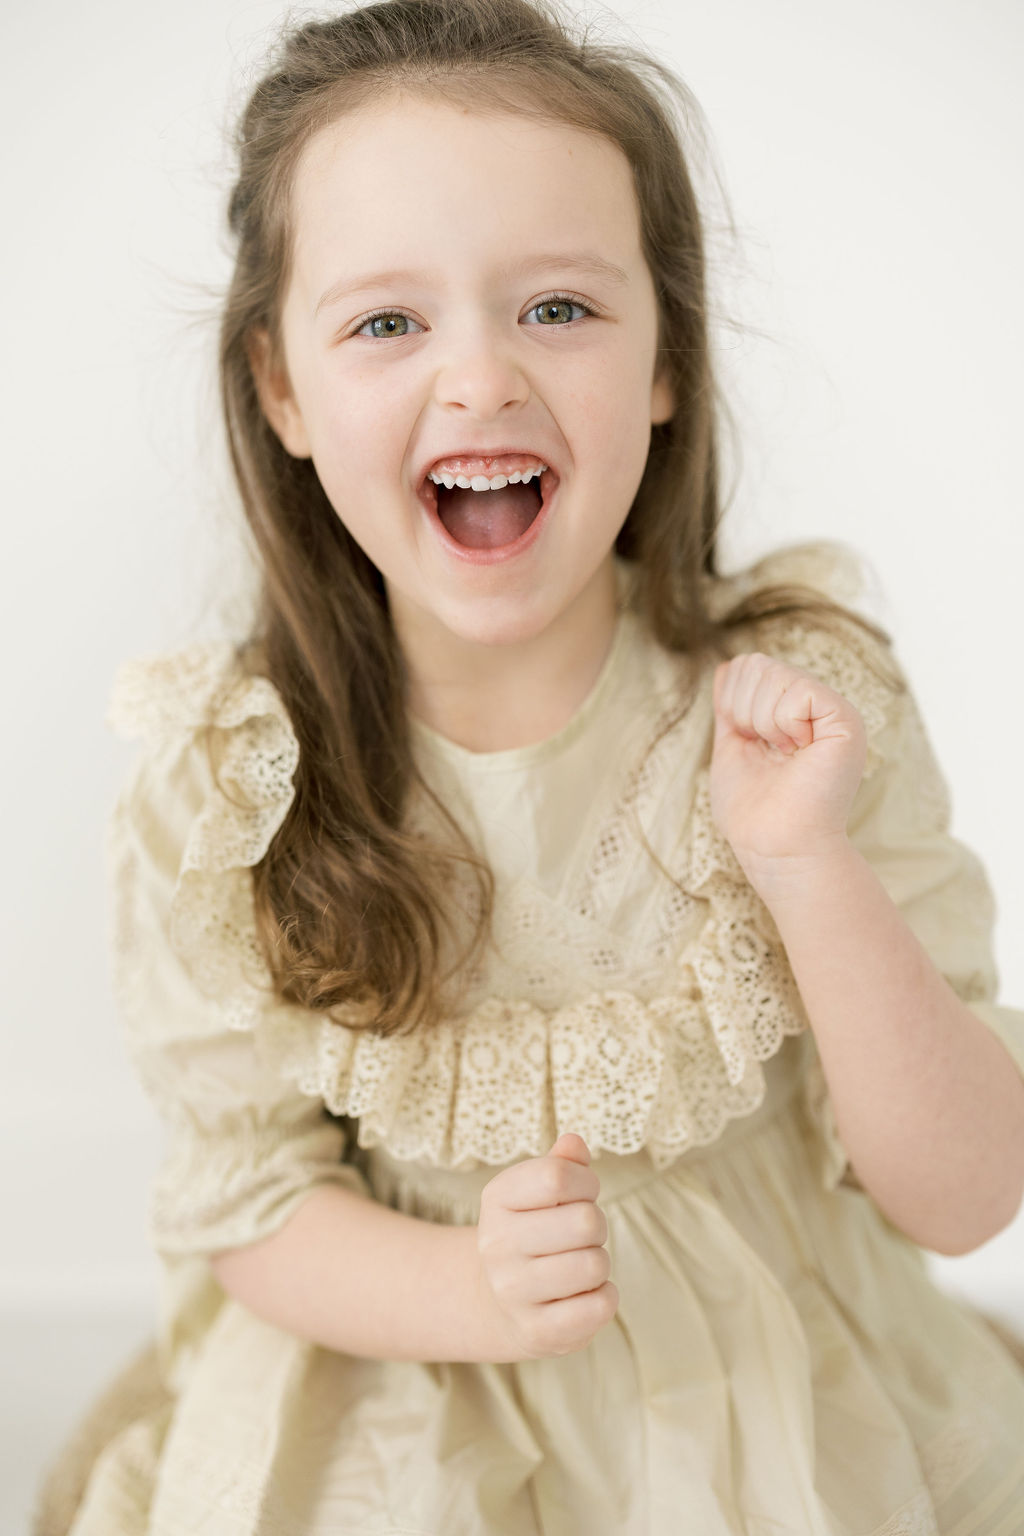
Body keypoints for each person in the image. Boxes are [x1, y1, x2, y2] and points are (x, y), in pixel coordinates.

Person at [34, 0, 1024, 1531]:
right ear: (284, 392)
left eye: (557, 308)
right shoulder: (228, 784)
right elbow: (248, 1201)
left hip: (772, 1406)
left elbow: (962, 1194)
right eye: (386, 322)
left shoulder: (796, 714)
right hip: (413, 1392)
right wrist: (468, 1286)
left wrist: (808, 871)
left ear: (665, 365)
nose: (482, 377)